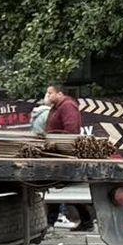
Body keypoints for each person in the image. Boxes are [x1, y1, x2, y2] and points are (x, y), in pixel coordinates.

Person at [41, 85, 92, 232]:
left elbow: (71, 130)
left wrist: (56, 141)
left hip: (64, 153)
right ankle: (86, 221)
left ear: (60, 93)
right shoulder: (56, 107)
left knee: (61, 188)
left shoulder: (67, 106)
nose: (47, 95)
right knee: (58, 188)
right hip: (56, 153)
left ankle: (51, 222)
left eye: (50, 93)